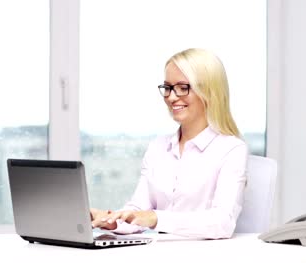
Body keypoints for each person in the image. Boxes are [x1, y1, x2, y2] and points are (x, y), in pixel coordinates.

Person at [91, 48, 248, 239]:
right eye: (168, 88)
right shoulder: (158, 147)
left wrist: (156, 218)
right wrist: (112, 220)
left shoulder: (231, 149)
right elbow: (139, 209)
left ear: (209, 91)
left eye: (183, 87)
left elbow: (222, 223)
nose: (172, 97)